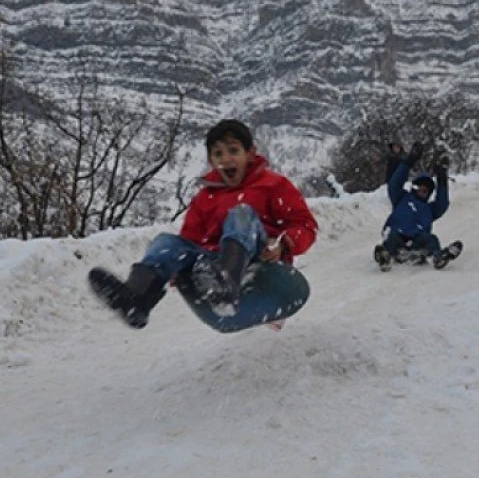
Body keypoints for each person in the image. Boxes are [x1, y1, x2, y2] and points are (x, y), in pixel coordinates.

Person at [88, 119, 318, 328]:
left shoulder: (273, 185)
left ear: (250, 153)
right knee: (166, 242)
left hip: (258, 258)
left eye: (233, 150)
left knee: (241, 214)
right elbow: (190, 242)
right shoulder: (205, 198)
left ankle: (226, 281)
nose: (226, 159)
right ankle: (137, 299)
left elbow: (305, 225)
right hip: (210, 267)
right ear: (211, 160)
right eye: (218, 154)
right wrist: (182, 273)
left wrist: (283, 244)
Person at [373, 143, 462, 271]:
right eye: (420, 187)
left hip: (418, 241)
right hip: (398, 235)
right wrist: (409, 161)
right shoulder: (401, 197)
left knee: (432, 239)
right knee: (391, 238)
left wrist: (442, 179)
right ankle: (385, 257)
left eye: (426, 190)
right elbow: (394, 184)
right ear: (415, 187)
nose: (422, 190)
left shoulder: (429, 209)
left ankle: (439, 257)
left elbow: (442, 203)